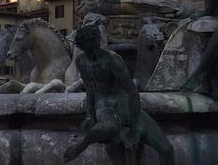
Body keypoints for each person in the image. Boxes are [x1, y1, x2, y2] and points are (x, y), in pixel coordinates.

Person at [64, 25, 174, 164]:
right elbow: (90, 90)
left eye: (95, 43)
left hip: (125, 105)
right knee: (110, 126)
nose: (95, 47)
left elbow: (132, 91)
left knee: (167, 149)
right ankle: (79, 147)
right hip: (104, 106)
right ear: (83, 46)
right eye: (90, 45)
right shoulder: (81, 61)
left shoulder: (112, 60)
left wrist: (136, 125)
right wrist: (90, 116)